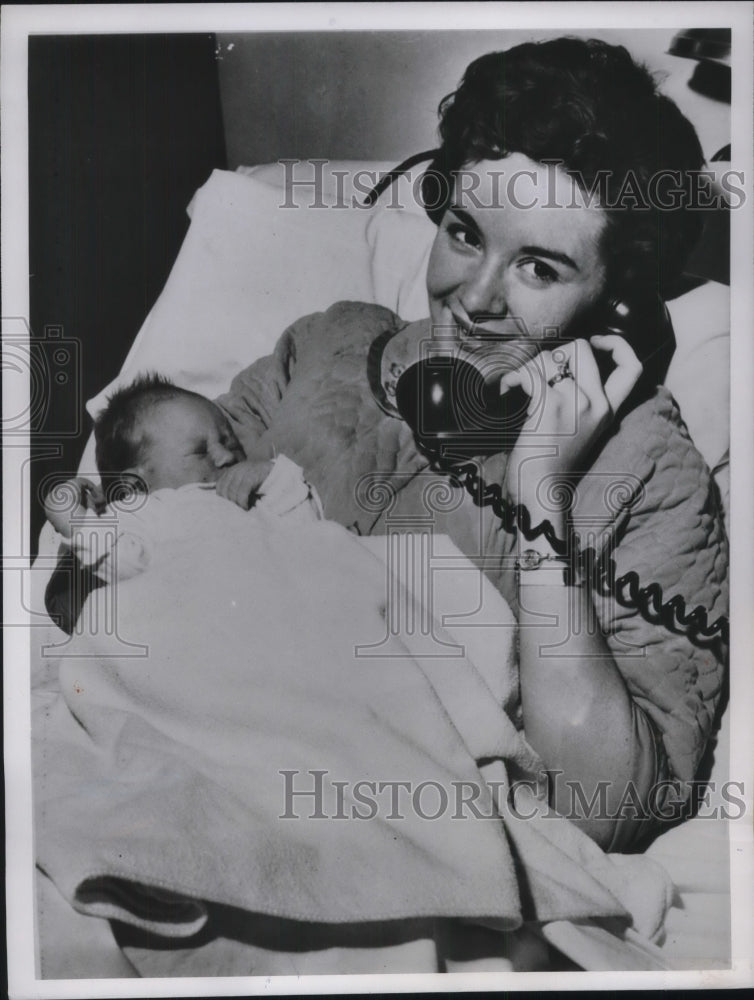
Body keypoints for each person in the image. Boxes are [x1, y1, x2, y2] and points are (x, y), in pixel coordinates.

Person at [216, 37, 728, 853]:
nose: (474, 297)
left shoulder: (651, 473)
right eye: (463, 233)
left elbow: (607, 807)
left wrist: (544, 506)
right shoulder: (331, 345)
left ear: (620, 302)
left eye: (540, 269)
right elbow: (137, 535)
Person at [44, 374, 322, 594]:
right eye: (200, 452)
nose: (226, 456)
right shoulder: (146, 512)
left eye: (229, 442)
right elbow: (122, 561)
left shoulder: (253, 495)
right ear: (136, 487)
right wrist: (74, 521)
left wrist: (273, 477)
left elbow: (312, 536)